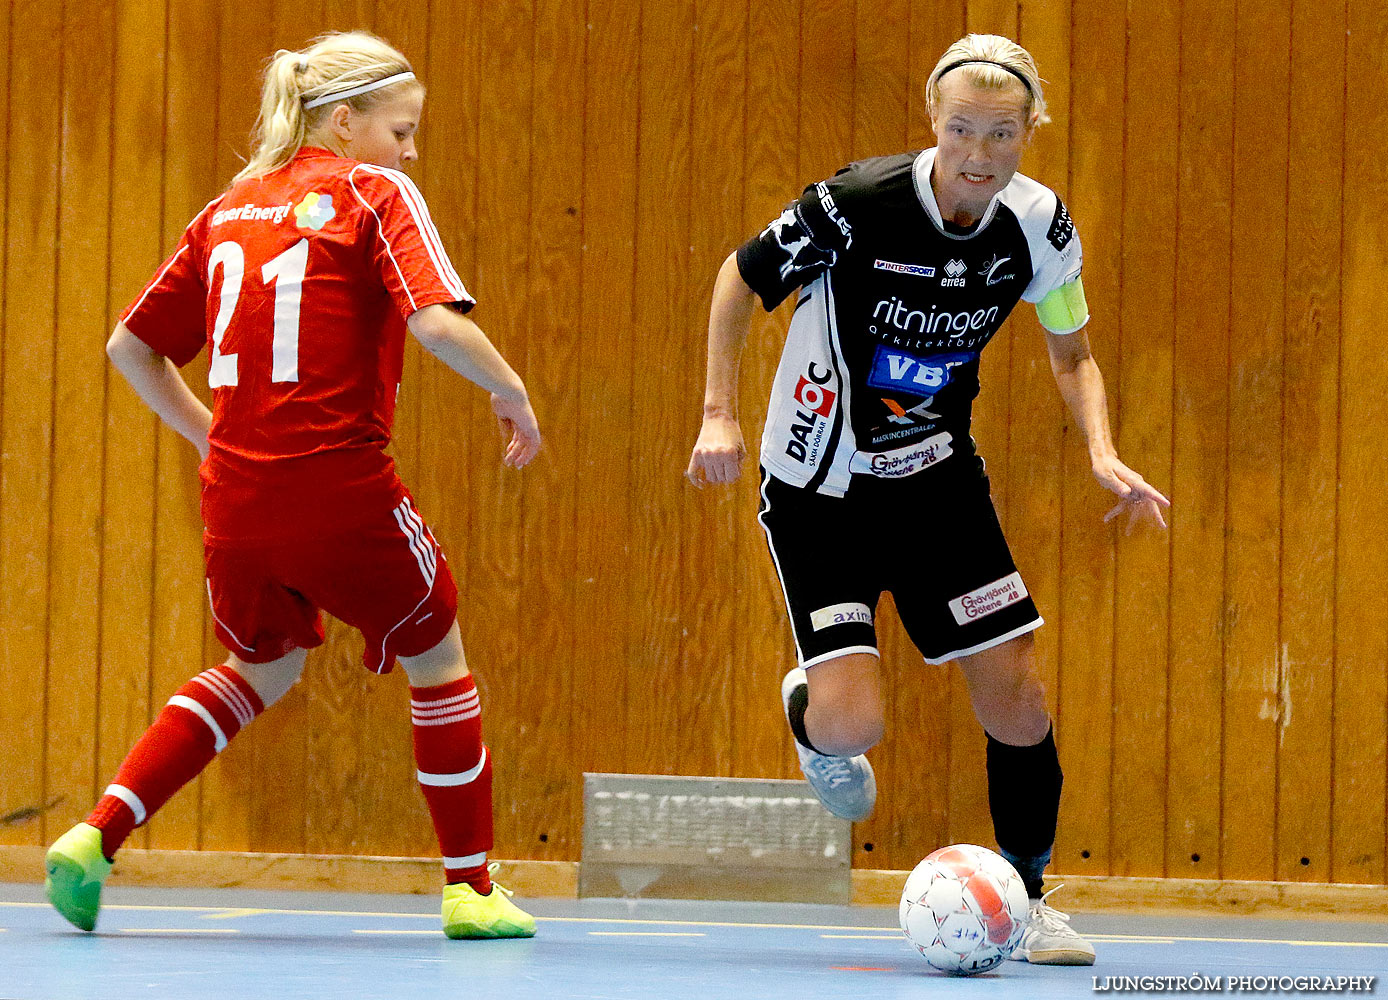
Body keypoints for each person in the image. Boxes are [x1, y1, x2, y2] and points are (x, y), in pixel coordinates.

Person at [44, 31, 540, 940]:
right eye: (403, 129)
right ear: (344, 122)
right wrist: (511, 392)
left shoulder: (228, 207)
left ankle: (93, 836)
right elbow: (433, 321)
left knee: (260, 668)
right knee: (437, 657)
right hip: (341, 486)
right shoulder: (370, 191)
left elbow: (130, 347)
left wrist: (214, 438)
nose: (411, 150)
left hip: (237, 501)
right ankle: (471, 889)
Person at [686, 33, 1169, 966]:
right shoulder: (857, 203)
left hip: (940, 482)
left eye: (1002, 133)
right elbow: (740, 280)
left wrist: (1104, 452)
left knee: (1019, 701)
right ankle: (813, 713)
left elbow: (1072, 353)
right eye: (962, 131)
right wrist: (718, 414)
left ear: (1031, 130)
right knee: (854, 723)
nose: (980, 155)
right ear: (932, 120)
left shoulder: (1039, 226)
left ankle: (1030, 901)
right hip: (821, 485)